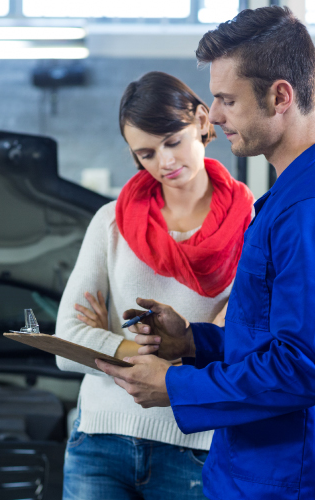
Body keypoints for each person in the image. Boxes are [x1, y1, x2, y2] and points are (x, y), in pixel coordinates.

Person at [96, 6, 315, 500]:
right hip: (250, 473)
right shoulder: (290, 199)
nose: (213, 116)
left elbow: (310, 367)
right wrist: (193, 343)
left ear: (280, 96)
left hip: (292, 483)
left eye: (226, 100)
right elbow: (274, 339)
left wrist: (175, 388)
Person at [55, 71, 254, 500]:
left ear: (203, 121)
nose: (163, 163)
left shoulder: (252, 225)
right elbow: (67, 345)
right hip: (98, 442)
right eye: (145, 153)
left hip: (196, 451)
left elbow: (238, 346)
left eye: (172, 141)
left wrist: (109, 341)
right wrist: (153, 355)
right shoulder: (110, 222)